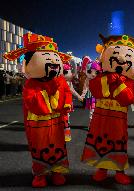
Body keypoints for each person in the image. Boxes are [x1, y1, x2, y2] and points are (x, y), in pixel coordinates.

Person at [3, 33, 72, 188]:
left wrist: (63, 100)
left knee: (58, 146)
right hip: (39, 123)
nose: (53, 62)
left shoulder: (60, 81)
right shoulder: (31, 85)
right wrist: (50, 90)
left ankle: (57, 171)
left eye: (55, 59)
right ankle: (40, 174)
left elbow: (66, 95)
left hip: (56, 121)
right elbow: (33, 103)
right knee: (40, 148)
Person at [81, 34, 134, 185]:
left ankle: (119, 171)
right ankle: (102, 169)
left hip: (118, 120)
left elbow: (128, 99)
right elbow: (96, 90)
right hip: (101, 118)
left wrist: (119, 84)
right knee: (100, 142)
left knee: (118, 144)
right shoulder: (101, 77)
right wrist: (108, 80)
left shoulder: (129, 82)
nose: (122, 59)